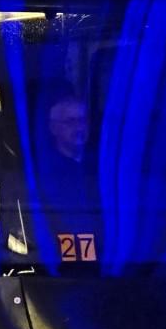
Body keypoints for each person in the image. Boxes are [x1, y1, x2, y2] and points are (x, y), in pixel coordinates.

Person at [39, 91, 102, 264]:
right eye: (71, 122)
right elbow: (61, 224)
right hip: (73, 264)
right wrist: (84, 259)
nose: (80, 127)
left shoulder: (102, 165)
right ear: (54, 128)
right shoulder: (46, 173)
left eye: (83, 120)